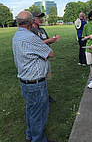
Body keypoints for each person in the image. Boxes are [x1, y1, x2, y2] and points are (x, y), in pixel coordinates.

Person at [12, 11, 55, 142]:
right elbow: (50, 53)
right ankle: (38, 139)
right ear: (31, 22)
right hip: (35, 83)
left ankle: (29, 135)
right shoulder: (30, 37)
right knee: (39, 114)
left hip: (25, 81)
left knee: (31, 109)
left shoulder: (16, 36)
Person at [31, 10, 60, 103]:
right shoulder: (31, 30)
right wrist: (49, 40)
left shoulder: (42, 29)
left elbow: (46, 40)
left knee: (44, 79)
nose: (40, 19)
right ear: (32, 19)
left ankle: (45, 96)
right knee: (39, 79)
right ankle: (41, 98)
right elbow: (36, 45)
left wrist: (53, 40)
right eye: (38, 17)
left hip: (46, 57)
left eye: (41, 17)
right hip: (38, 59)